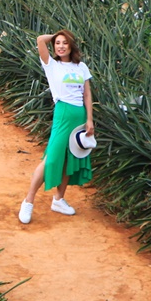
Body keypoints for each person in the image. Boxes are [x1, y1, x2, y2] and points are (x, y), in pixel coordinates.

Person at [18, 29, 95, 224]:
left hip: (79, 115)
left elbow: (87, 95)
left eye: (65, 43)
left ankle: (58, 200)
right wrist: (56, 36)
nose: (61, 46)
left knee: (70, 158)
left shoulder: (81, 67)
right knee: (51, 158)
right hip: (63, 114)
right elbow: (39, 40)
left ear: (71, 46)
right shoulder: (51, 65)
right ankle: (28, 201)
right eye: (58, 43)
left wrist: (90, 120)